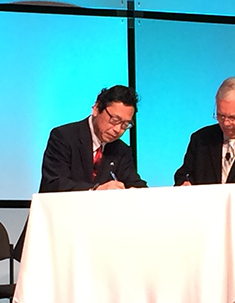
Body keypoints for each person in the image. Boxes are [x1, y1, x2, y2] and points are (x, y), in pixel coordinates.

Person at [14, 85, 147, 261]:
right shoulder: (64, 136)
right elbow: (54, 183)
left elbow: (135, 183)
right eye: (114, 120)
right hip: (56, 233)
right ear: (96, 108)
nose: (118, 130)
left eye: (125, 125)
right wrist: (96, 190)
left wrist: (135, 193)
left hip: (96, 240)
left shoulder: (122, 150)